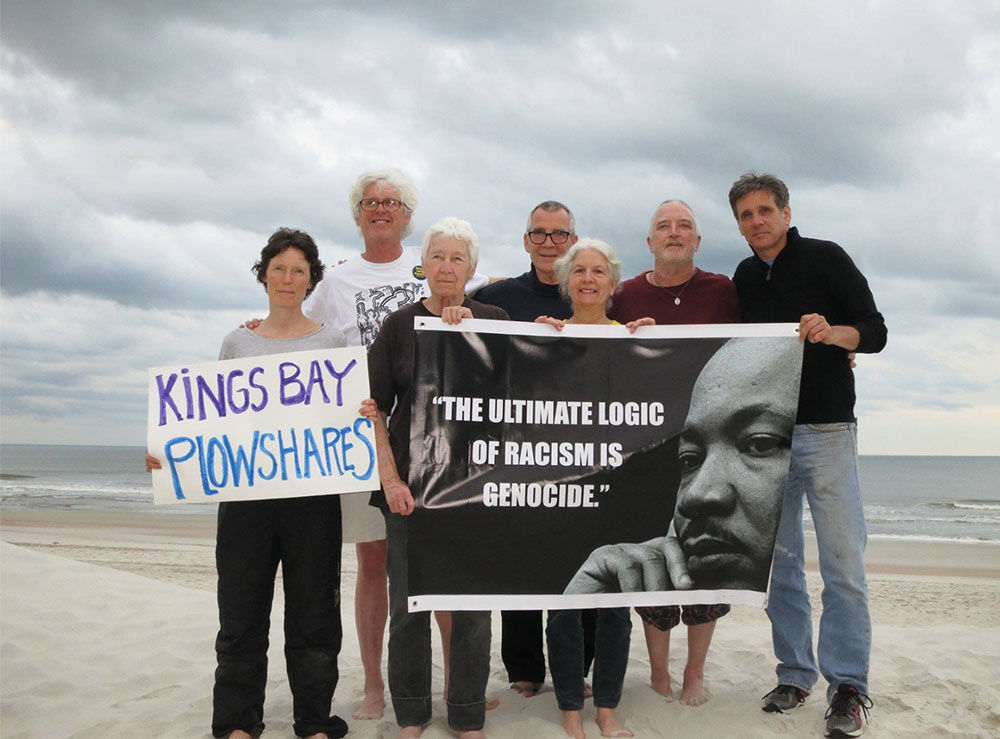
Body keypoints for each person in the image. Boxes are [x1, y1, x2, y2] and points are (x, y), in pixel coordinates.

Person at [249, 169, 490, 720]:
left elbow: (496, 323)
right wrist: (258, 326)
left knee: (439, 566)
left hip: (438, 448)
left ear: (408, 215)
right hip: (360, 431)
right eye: (371, 202)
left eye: (393, 202)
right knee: (374, 562)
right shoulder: (334, 279)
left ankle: (458, 683)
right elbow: (305, 338)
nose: (381, 209)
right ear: (358, 213)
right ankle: (377, 685)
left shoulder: (432, 261)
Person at [146, 228, 348, 739]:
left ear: (311, 280)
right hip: (245, 501)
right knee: (240, 615)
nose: (287, 278)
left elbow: (342, 417)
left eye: (298, 270)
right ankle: (237, 723)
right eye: (278, 268)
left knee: (315, 616)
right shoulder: (237, 341)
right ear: (263, 275)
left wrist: (361, 415)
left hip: (312, 500)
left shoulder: (333, 341)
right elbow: (206, 421)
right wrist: (169, 452)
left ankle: (315, 722)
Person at [729, 171, 885, 737]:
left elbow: (875, 331)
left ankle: (847, 687)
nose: (757, 222)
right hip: (765, 439)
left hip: (827, 433)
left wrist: (834, 333)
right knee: (782, 568)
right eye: (746, 215)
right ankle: (795, 673)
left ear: (787, 213)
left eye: (765, 210)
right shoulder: (744, 276)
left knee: (844, 565)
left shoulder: (827, 258)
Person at [364, 217, 507, 739]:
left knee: (470, 607)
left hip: (474, 487)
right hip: (410, 489)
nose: (447, 267)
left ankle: (467, 712)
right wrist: (390, 480)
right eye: (439, 257)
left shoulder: (494, 318)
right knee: (407, 605)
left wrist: (476, 333)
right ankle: (411, 713)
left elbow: (522, 392)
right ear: (424, 265)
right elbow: (374, 408)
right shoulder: (399, 325)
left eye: (458, 258)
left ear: (471, 268)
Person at [604, 198, 741, 706]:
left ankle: (695, 673)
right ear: (650, 241)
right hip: (646, 451)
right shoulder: (626, 294)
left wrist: (832, 347)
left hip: (710, 448)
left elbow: (768, 341)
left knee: (705, 562)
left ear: (698, 241)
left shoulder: (725, 291)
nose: (674, 233)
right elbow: (593, 334)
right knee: (653, 559)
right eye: (664, 226)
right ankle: (659, 672)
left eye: (684, 226)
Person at [475, 200, 596, 699]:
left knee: (580, 560)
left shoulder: (592, 292)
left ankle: (579, 667)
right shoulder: (496, 295)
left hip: (585, 451)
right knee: (520, 561)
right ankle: (523, 669)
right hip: (517, 452)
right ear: (526, 241)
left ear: (573, 239)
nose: (549, 243)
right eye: (539, 234)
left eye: (559, 234)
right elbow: (449, 324)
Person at [536, 238, 651, 739]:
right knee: (562, 606)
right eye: (578, 270)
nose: (588, 278)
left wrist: (654, 347)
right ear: (566, 282)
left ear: (612, 283)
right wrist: (530, 343)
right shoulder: (546, 338)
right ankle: (567, 707)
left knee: (613, 608)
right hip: (559, 492)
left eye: (598, 270)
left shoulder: (628, 338)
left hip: (615, 494)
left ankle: (606, 707)